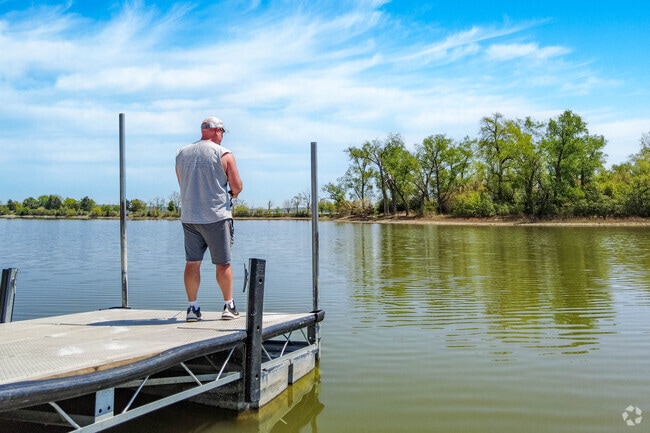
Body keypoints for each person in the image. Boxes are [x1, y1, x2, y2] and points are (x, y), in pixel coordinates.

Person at [175, 116, 243, 322]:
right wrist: (230, 195)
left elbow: (181, 182)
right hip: (216, 217)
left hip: (189, 217)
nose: (222, 135)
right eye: (222, 131)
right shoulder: (224, 154)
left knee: (192, 263)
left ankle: (192, 308)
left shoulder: (181, 153)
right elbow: (237, 186)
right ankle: (228, 306)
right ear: (216, 130)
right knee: (223, 263)